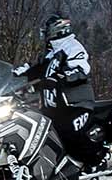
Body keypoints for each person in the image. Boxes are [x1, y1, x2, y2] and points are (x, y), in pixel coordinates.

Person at [15, 14, 102, 169]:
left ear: (56, 30)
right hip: (53, 108)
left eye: (46, 31)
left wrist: (63, 76)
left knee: (68, 130)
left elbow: (82, 69)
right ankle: (46, 169)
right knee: (40, 132)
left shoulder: (72, 46)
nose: (44, 34)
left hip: (76, 104)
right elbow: (35, 70)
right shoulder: (49, 54)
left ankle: (94, 163)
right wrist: (15, 77)